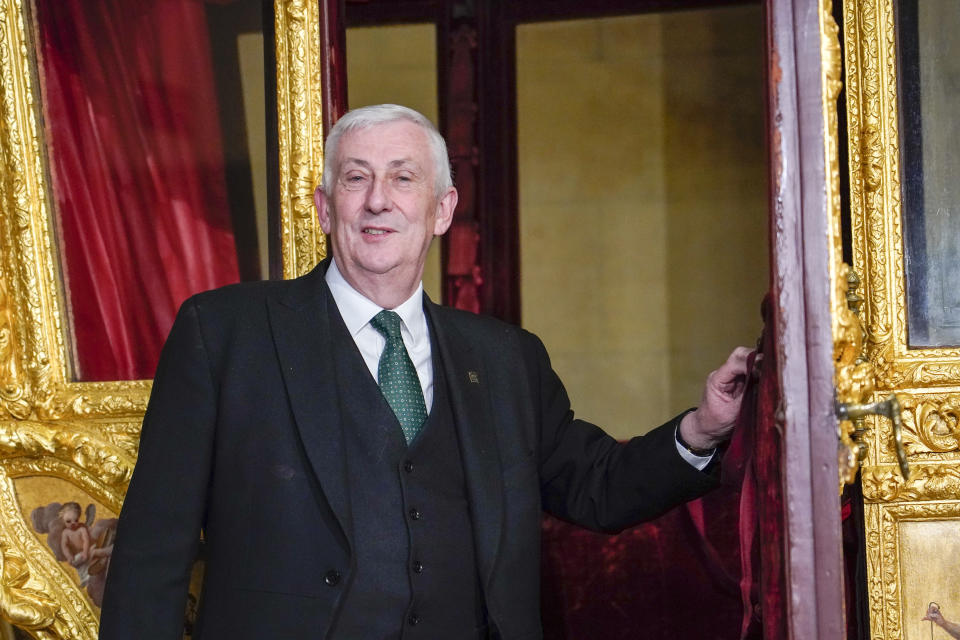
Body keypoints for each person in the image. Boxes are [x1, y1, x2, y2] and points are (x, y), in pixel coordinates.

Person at [99, 104, 752, 639]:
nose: (378, 201)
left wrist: (701, 429)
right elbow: (153, 550)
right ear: (326, 209)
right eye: (356, 179)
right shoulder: (224, 333)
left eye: (403, 178)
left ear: (442, 210)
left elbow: (596, 486)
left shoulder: (506, 359)